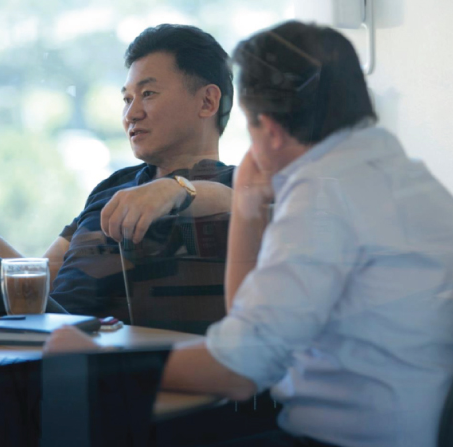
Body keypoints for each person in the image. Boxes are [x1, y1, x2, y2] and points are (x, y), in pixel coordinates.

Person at [46, 21, 453, 447]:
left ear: (270, 128)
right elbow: (247, 326)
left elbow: (238, 370)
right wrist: (246, 200)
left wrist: (96, 362)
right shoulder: (407, 178)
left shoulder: (321, 194)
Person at [0, 24, 236, 320]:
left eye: (147, 94)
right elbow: (30, 281)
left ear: (207, 102)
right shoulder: (114, 187)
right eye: (126, 98)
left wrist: (176, 189)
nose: (131, 114)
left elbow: (241, 205)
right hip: (54, 337)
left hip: (114, 362)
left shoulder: (241, 184)